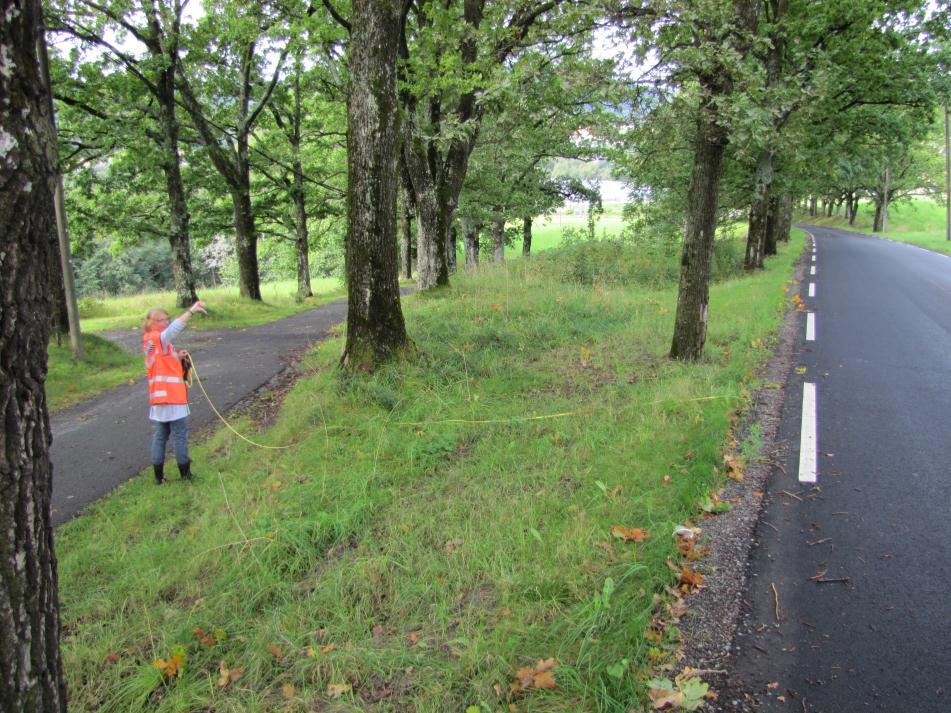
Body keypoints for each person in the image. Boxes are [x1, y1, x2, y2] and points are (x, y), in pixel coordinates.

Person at [142, 300, 207, 484]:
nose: (167, 323)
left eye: (167, 319)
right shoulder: (158, 338)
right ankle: (185, 474)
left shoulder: (151, 341)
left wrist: (177, 357)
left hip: (159, 399)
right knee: (179, 434)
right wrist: (192, 310)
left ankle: (158, 477)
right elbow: (175, 329)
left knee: (160, 435)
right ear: (153, 323)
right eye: (163, 320)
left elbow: (162, 361)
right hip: (171, 397)